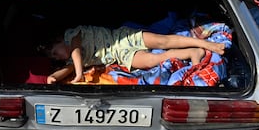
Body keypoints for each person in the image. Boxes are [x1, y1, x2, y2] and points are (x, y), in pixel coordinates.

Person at [38, 25, 226, 84]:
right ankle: (193, 51)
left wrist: (79, 74)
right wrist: (52, 78)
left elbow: (77, 52)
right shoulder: (71, 60)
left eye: (55, 52)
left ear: (59, 40)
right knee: (152, 61)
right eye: (54, 58)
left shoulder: (73, 35)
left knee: (164, 41)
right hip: (121, 57)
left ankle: (205, 43)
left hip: (123, 39)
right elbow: (64, 70)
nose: (57, 57)